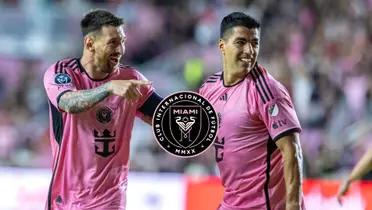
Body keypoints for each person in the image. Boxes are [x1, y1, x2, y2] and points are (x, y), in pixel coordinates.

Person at [43, 9, 163, 210]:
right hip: (65, 199)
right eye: (113, 43)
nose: (121, 49)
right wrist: (108, 88)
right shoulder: (62, 73)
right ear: (90, 43)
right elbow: (68, 103)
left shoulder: (131, 79)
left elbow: (164, 116)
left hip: (110, 199)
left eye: (123, 41)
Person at [198, 12, 305, 210]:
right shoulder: (209, 87)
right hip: (231, 202)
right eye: (241, 42)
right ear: (222, 46)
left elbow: (292, 150)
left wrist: (293, 205)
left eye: (255, 43)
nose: (250, 50)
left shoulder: (266, 90)